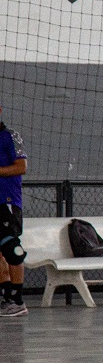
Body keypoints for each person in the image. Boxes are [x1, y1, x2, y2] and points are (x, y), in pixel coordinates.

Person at [0, 105, 27, 318]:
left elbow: (21, 167)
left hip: (6, 202)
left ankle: (18, 300)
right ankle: (7, 298)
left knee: (12, 249)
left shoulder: (11, 136)